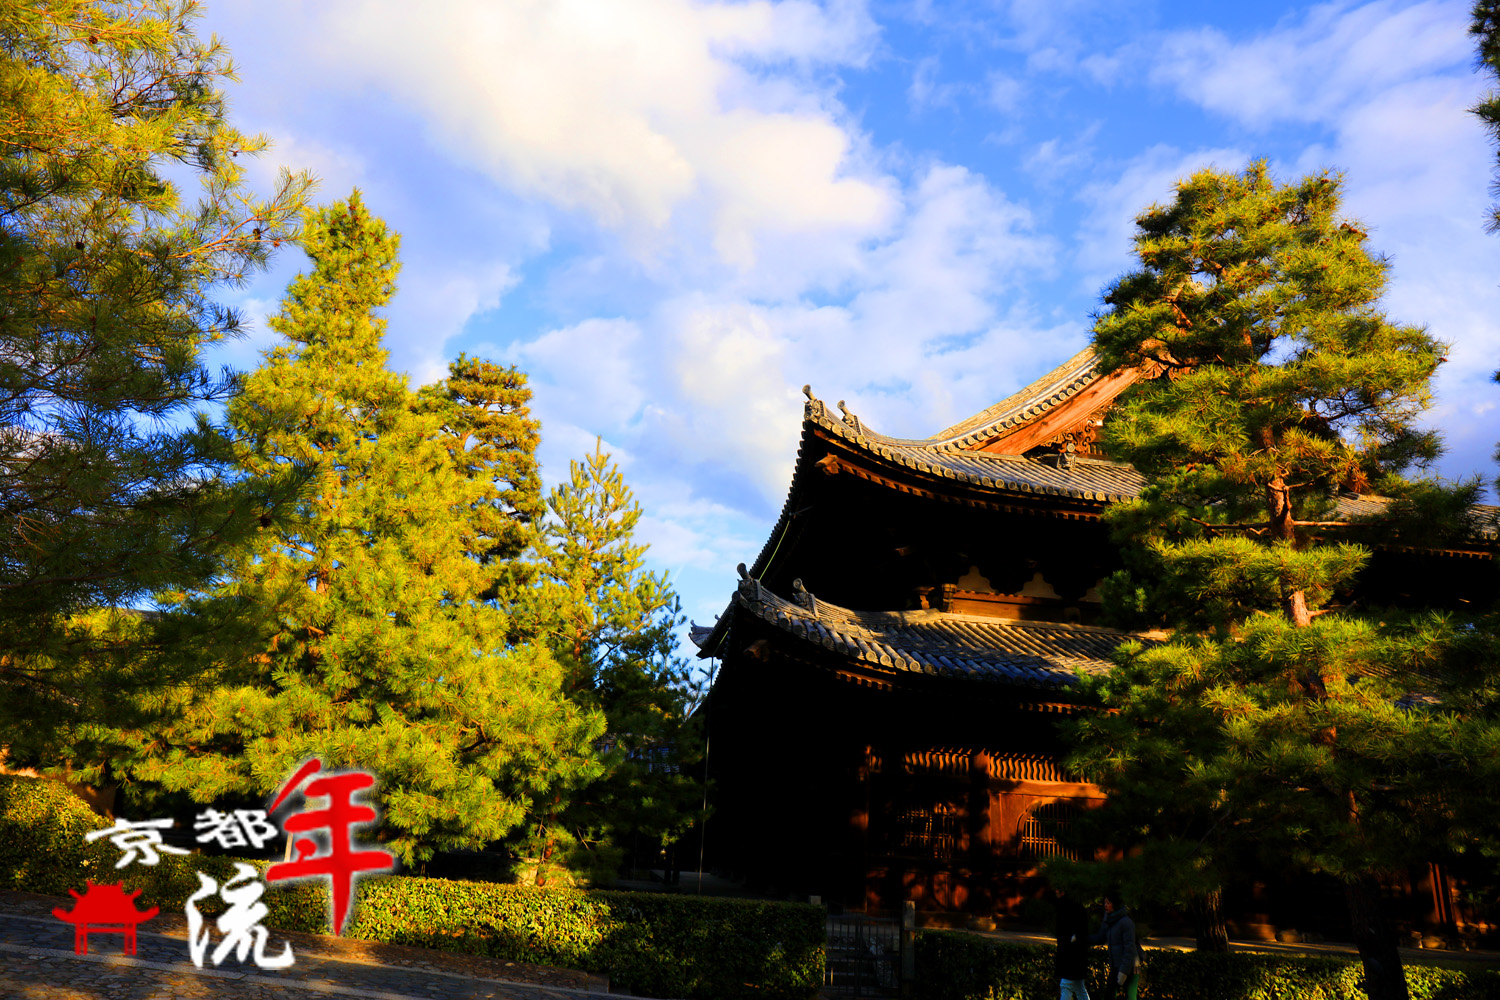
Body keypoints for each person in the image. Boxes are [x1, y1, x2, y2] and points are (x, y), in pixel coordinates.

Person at [1090, 887, 1140, 1000]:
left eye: (1108, 902)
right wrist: (1081, 938)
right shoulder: (1108, 920)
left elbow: (1129, 949)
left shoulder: (1126, 923)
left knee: (1130, 997)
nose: (1105, 905)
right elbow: (1099, 938)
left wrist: (1124, 972)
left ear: (1115, 904)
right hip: (1116, 966)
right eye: (1105, 902)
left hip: (1131, 967)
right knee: (1109, 995)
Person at [1054, 886, 1092, 1000]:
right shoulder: (1076, 906)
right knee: (1078, 987)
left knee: (1067, 986)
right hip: (1076, 954)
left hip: (1071, 954)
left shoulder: (1066, 906)